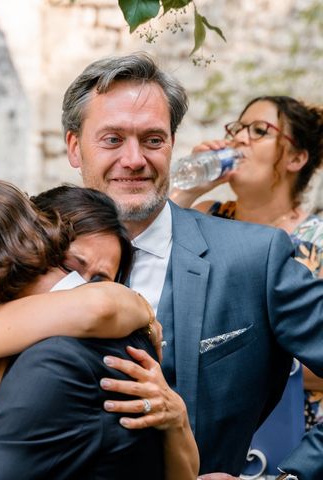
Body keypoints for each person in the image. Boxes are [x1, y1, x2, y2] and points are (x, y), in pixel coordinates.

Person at [61, 53, 323, 479]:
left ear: (172, 144)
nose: (134, 159)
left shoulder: (255, 257)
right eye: (112, 140)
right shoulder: (34, 255)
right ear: (75, 147)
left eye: (152, 140)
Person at [0, 176, 198, 479]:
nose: (79, 284)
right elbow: (98, 307)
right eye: (71, 266)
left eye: (101, 280)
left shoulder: (15, 339)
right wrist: (141, 307)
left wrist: (177, 418)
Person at [170, 95, 323, 433]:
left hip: (293, 431)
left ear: (297, 157)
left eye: (258, 131)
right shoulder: (204, 215)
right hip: (201, 426)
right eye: (237, 128)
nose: (239, 138)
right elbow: (148, 262)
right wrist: (188, 190)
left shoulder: (318, 239)